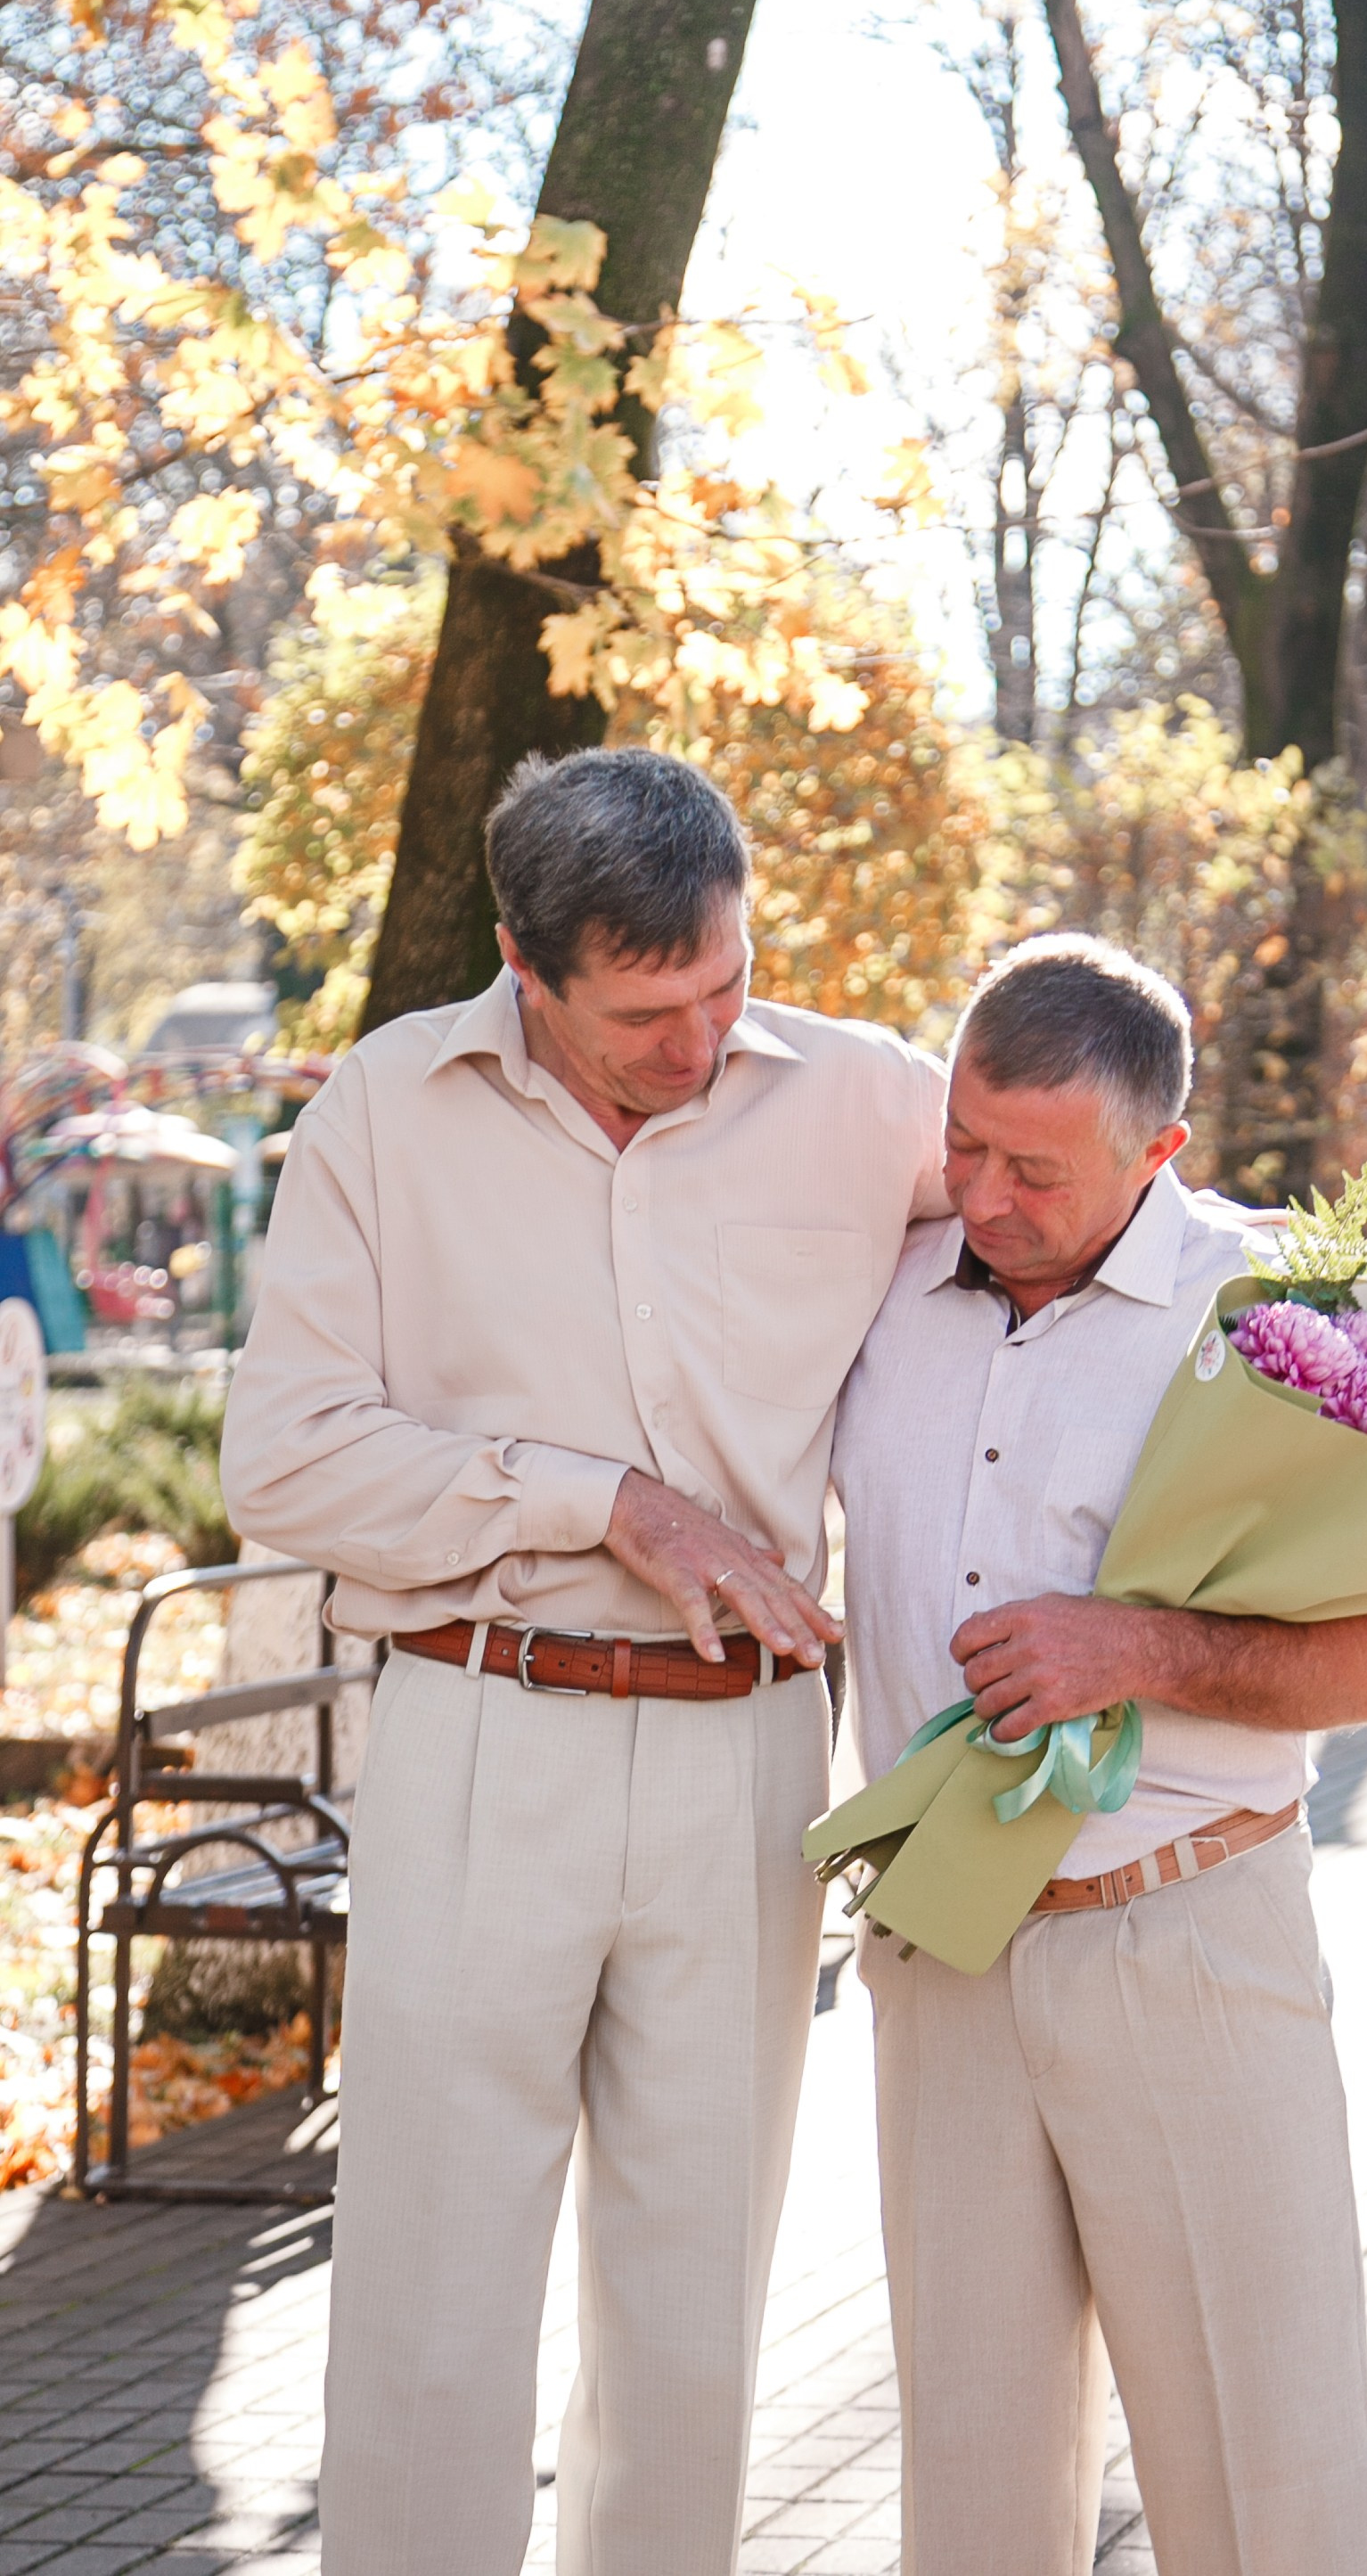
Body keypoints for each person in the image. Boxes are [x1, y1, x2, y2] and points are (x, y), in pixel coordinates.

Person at [220, 749, 947, 2576]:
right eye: (645, 1015)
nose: (698, 1043)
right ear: (523, 969)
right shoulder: (385, 1105)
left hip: (748, 1766)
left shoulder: (869, 1101)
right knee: (430, 2302)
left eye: (722, 987)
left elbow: (1084, 1218)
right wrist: (594, 1499)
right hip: (480, 1735)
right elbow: (286, 1455)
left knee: (693, 2315)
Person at [832, 935, 1367, 2576]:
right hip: (938, 1949)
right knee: (969, 2497)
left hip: (1185, 1944)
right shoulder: (878, 1285)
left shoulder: (1286, 1315)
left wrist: (1139, 1646)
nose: (979, 1193)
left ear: (1158, 1152)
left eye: (1033, 1167)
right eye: (962, 1142)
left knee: (1265, 2478)